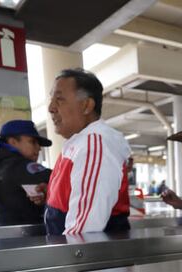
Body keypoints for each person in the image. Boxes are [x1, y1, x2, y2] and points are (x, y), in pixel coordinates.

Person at [45, 68, 131, 235]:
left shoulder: (94, 145)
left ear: (86, 106)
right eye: (51, 99)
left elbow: (84, 230)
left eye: (59, 99)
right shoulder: (78, 143)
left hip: (87, 258)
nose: (51, 108)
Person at [0, 120, 51, 226]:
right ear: (13, 142)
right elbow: (60, 179)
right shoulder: (19, 166)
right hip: (28, 238)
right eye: (32, 142)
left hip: (4, 237)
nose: (39, 148)